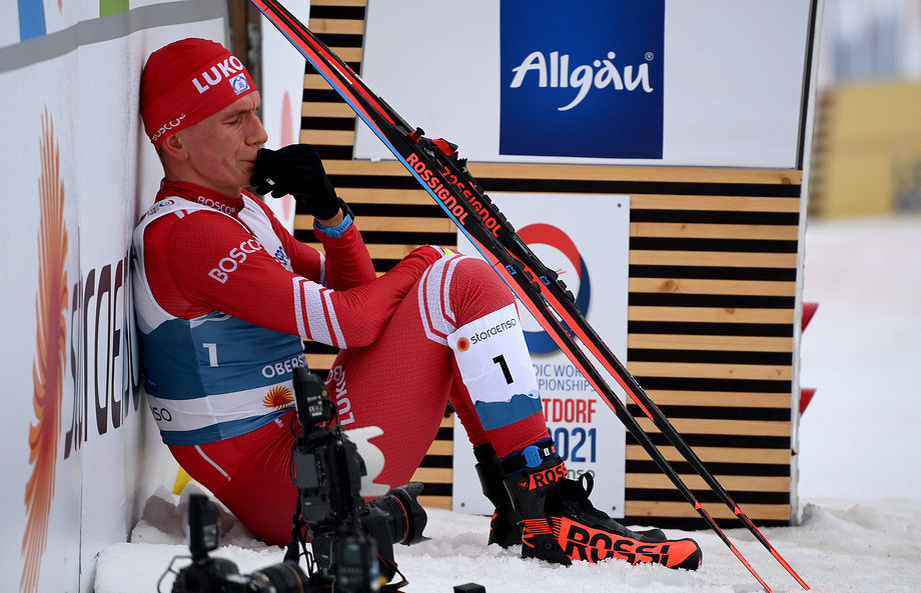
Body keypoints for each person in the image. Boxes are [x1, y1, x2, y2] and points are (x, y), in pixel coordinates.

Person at [132, 37, 701, 570]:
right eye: (234, 120)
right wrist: (426, 257)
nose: (259, 134)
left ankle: (524, 509)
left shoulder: (240, 210)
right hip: (292, 492)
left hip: (304, 450)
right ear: (176, 141)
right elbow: (352, 323)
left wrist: (329, 212)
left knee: (451, 295)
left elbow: (355, 292)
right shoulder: (188, 233)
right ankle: (545, 511)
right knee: (461, 283)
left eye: (256, 111)